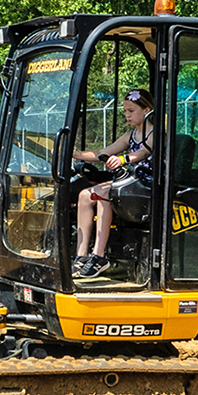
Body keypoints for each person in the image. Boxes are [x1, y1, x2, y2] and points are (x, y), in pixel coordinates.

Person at [71, 88, 155, 279]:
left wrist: (124, 159)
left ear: (146, 110)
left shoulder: (154, 134)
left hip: (145, 184)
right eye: (125, 111)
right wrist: (75, 154)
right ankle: (81, 256)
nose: (127, 115)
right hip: (128, 183)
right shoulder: (130, 135)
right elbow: (104, 152)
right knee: (84, 195)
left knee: (103, 194)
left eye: (131, 111)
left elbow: (143, 153)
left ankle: (99, 256)